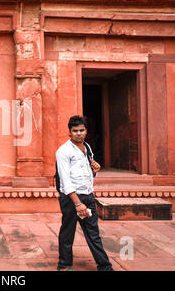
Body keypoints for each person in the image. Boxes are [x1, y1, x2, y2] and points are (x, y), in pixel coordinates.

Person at [55, 115, 113, 271]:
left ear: (86, 131)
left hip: (87, 195)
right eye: (75, 131)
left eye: (81, 130)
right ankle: (64, 265)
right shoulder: (63, 151)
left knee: (93, 233)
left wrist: (95, 169)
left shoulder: (87, 147)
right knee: (68, 232)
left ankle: (105, 266)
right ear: (69, 132)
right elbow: (66, 181)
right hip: (71, 199)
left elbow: (87, 173)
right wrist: (77, 203)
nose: (79, 133)